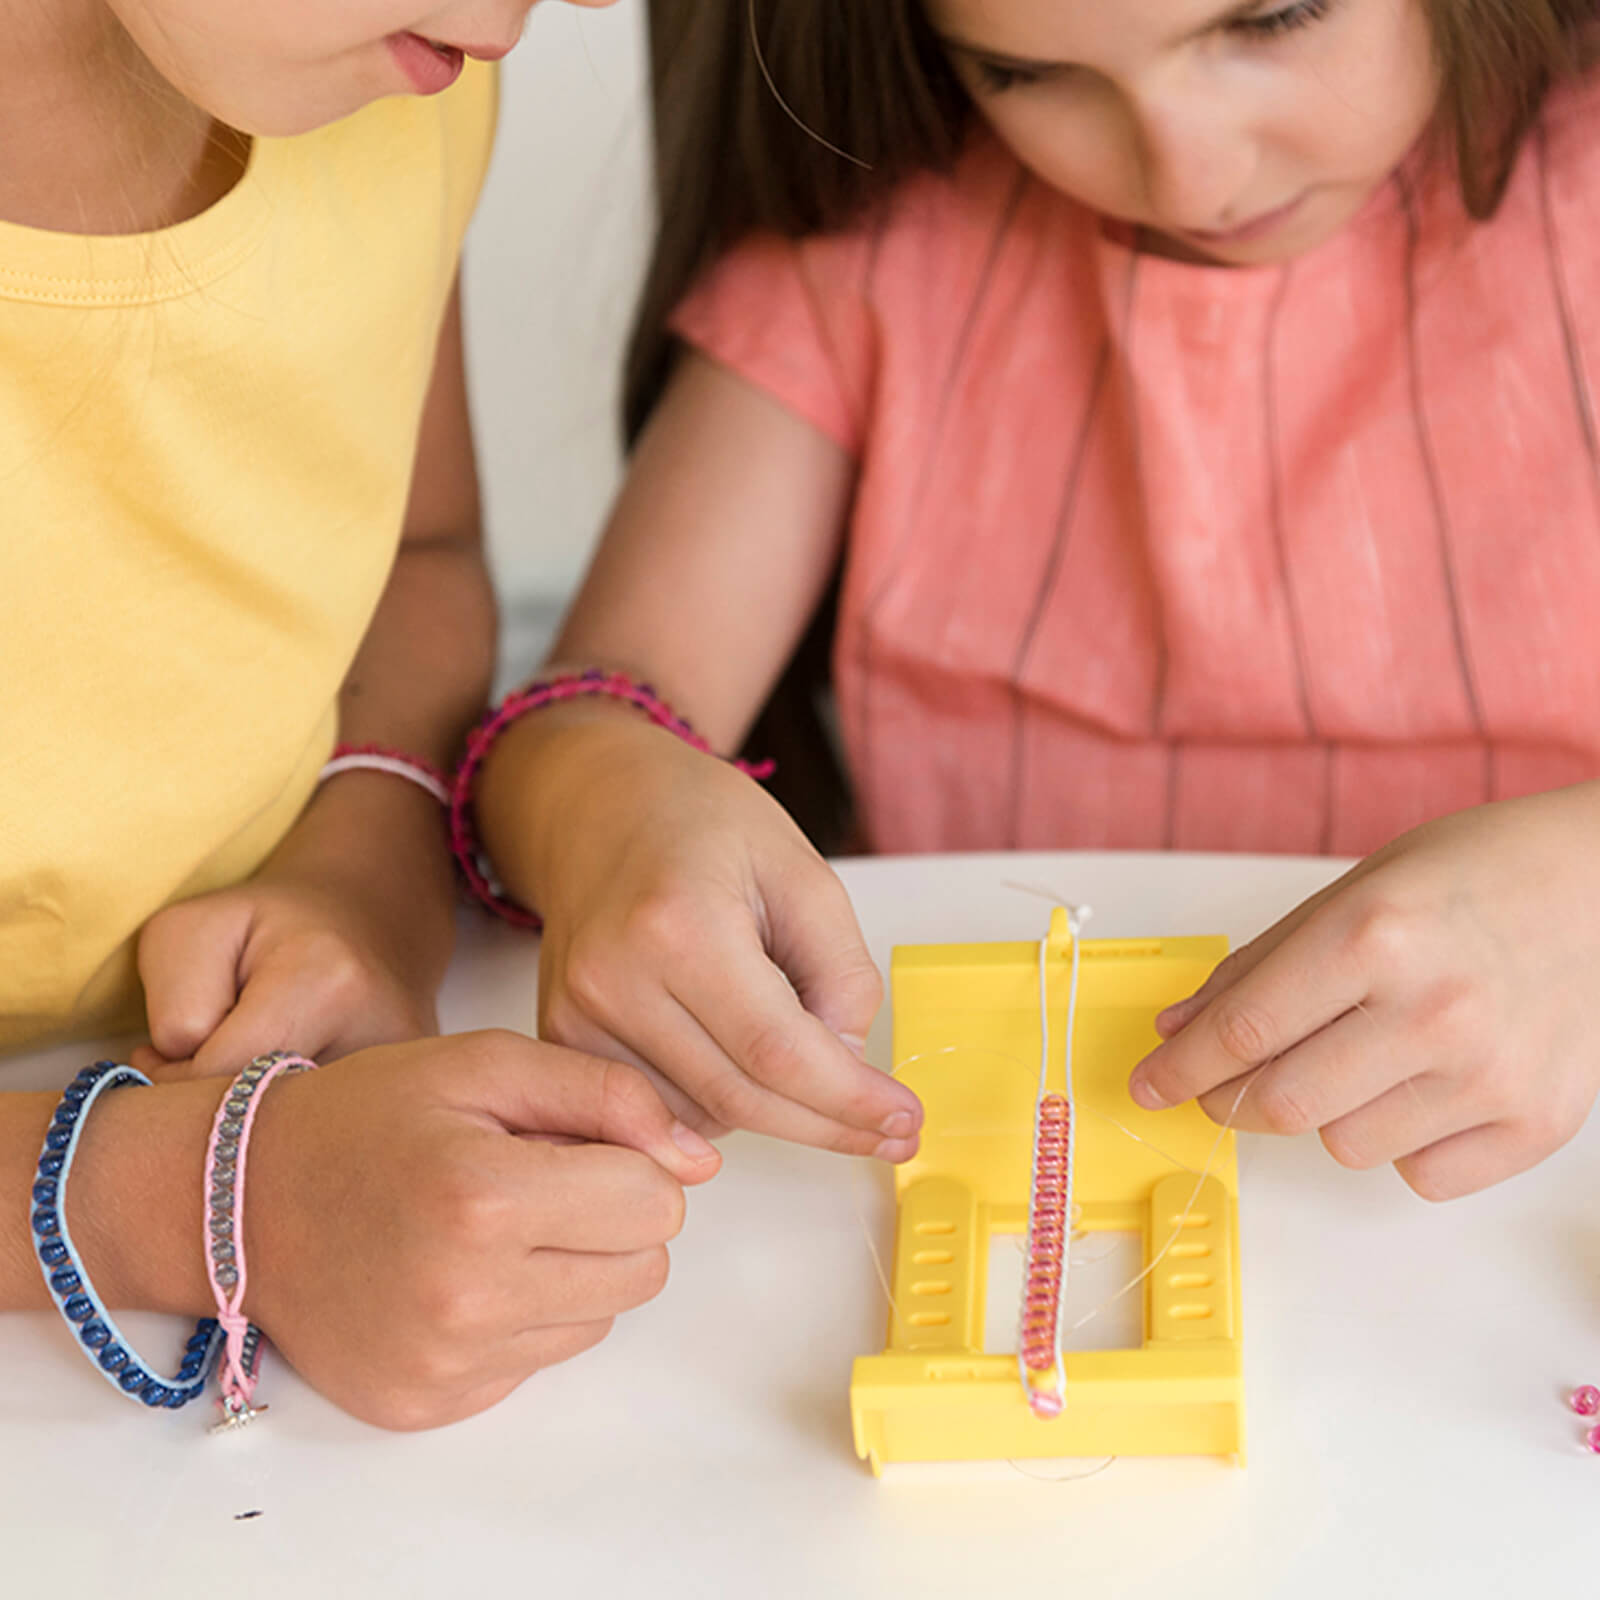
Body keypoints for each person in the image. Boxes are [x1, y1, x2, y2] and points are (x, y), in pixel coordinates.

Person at [471, 0, 1600, 1202]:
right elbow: (574, 722)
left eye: (1274, 20)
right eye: (1025, 73)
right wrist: (609, 800)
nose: (1192, 173)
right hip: (991, 1159)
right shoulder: (877, 255)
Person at [1, 0, 718, 1430]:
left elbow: (420, 560)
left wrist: (365, 871)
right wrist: (202, 1189)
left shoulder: (391, 85)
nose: (531, 21)